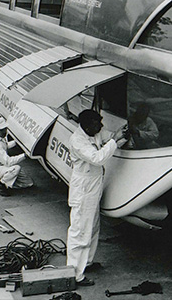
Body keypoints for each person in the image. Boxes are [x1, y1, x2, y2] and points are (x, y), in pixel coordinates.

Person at [66, 109, 127, 287]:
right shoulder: (77, 141)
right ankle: (75, 274)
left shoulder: (94, 132)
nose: (101, 126)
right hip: (84, 188)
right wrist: (115, 140)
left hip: (93, 185)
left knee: (92, 226)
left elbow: (109, 138)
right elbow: (97, 157)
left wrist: (121, 135)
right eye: (97, 124)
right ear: (86, 125)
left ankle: (86, 263)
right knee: (80, 230)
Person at [0, 117, 33, 195]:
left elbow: (5, 146)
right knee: (16, 168)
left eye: (5, 128)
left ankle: (0, 181)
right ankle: (2, 184)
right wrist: (24, 155)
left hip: (2, 166)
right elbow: (8, 162)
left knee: (28, 183)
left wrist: (17, 142)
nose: (5, 131)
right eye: (2, 130)